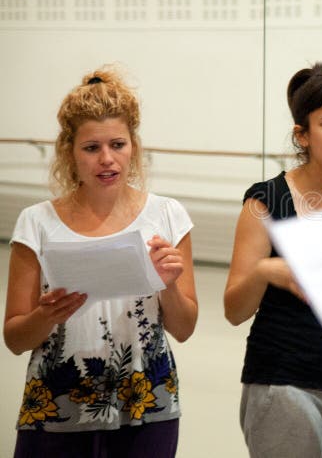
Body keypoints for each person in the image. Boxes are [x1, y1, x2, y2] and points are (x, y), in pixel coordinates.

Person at [4, 66, 198, 458]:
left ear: (134, 146)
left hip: (146, 403)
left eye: (118, 145)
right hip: (59, 405)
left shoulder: (167, 215)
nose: (107, 159)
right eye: (92, 148)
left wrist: (169, 283)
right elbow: (14, 338)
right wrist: (46, 315)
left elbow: (184, 328)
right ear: (69, 152)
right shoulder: (37, 222)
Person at [224, 63, 322, 458]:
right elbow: (235, 310)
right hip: (286, 383)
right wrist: (265, 270)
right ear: (303, 135)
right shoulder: (267, 200)